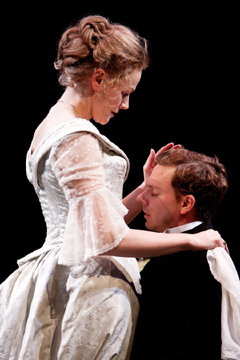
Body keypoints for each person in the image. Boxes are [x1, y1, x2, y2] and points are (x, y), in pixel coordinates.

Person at [0, 16, 225, 360]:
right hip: (87, 288)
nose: (125, 104)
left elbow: (87, 222)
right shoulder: (77, 136)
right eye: (124, 92)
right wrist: (189, 239)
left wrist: (141, 190)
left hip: (61, 274)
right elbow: (107, 239)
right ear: (99, 77)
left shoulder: (52, 125)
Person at [131, 148, 240, 360]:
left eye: (153, 192)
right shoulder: (168, 243)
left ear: (186, 203)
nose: (141, 199)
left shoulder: (205, 264)